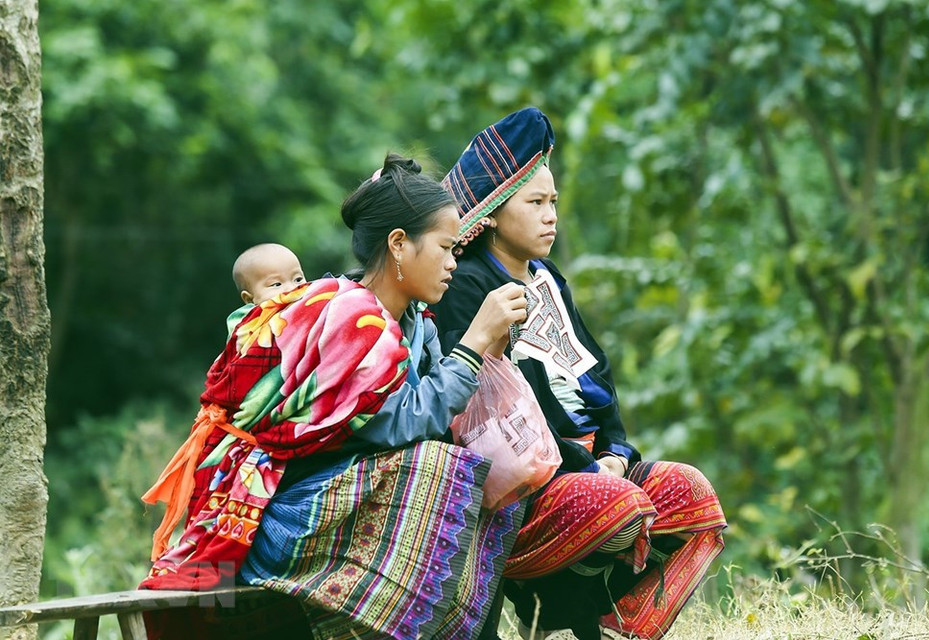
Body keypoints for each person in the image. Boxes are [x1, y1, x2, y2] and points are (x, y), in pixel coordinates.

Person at [139, 153, 530, 640]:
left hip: (340, 506)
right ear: (399, 244)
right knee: (433, 470)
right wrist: (473, 344)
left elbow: (442, 417)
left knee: (477, 480)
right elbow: (404, 424)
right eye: (446, 247)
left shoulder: (416, 324)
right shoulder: (347, 316)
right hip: (274, 515)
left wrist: (491, 349)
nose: (453, 263)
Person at [431, 107, 727, 640]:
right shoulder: (466, 287)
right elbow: (492, 408)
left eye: (554, 202)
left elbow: (595, 372)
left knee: (689, 491)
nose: (551, 217)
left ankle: (611, 620)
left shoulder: (547, 277)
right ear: (493, 211)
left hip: (595, 464)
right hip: (532, 478)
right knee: (621, 507)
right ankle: (563, 605)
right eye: (535, 203)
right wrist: (586, 467)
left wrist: (615, 451)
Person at [225, 242, 308, 334]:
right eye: (277, 284)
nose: (292, 288)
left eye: (298, 279)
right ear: (249, 299)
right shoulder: (244, 327)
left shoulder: (312, 299)